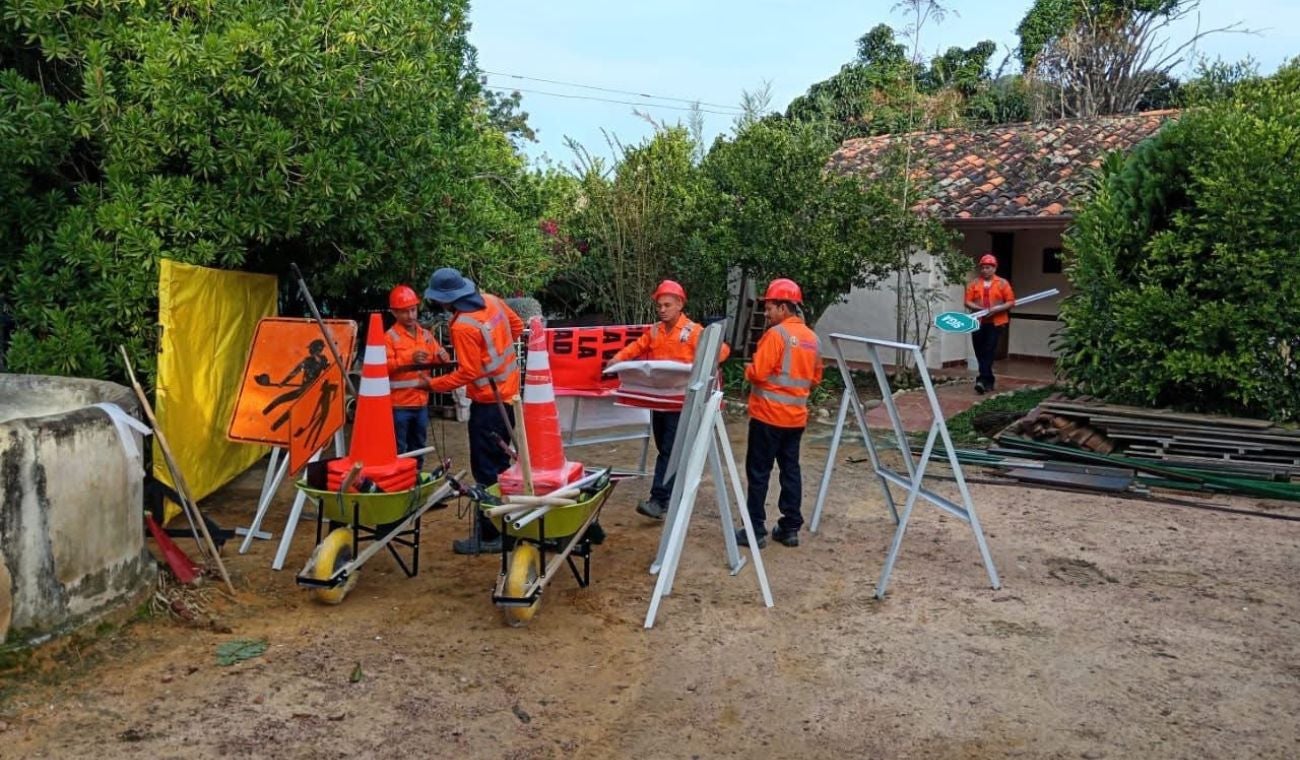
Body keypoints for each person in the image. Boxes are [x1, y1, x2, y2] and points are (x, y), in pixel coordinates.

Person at [606, 279, 731, 520]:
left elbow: (721, 351)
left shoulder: (693, 332)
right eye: (659, 305)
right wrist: (618, 359)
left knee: (668, 451)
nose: (662, 310)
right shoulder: (656, 331)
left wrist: (702, 366)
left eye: (667, 305)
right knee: (666, 448)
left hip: (680, 403)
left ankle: (659, 500)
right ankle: (671, 493)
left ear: (680, 305)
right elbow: (636, 347)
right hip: (659, 402)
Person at [424, 267, 524, 555]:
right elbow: (517, 327)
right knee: (502, 464)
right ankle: (508, 524)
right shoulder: (491, 300)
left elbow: (468, 372)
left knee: (486, 469)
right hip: (509, 396)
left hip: (489, 403)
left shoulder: (462, 326)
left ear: (445, 299)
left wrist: (432, 384)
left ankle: (491, 534)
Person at [738, 278, 822, 549]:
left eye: (770, 307)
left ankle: (754, 529)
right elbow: (815, 378)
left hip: (767, 417)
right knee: (790, 471)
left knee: (759, 473)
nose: (766, 313)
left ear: (784, 307)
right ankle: (789, 528)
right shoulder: (813, 339)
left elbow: (758, 372)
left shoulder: (776, 335)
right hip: (795, 419)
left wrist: (748, 370)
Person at [384, 284, 449, 471]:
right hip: (399, 405)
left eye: (413, 310)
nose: (411, 315)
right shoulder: (389, 337)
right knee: (400, 448)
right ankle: (400, 478)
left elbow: (439, 356)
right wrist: (407, 358)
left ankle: (416, 476)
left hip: (421, 403)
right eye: (405, 312)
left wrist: (442, 357)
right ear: (394, 313)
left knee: (419, 446)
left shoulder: (425, 335)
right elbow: (383, 368)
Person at [963, 253, 1016, 394]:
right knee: (979, 351)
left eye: (988, 267)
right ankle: (989, 380)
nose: (985, 270)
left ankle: (981, 380)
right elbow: (967, 301)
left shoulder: (1002, 283)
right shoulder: (974, 283)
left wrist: (996, 309)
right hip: (977, 321)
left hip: (996, 322)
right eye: (983, 267)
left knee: (989, 350)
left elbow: (1011, 302)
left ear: (994, 268)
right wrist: (980, 309)